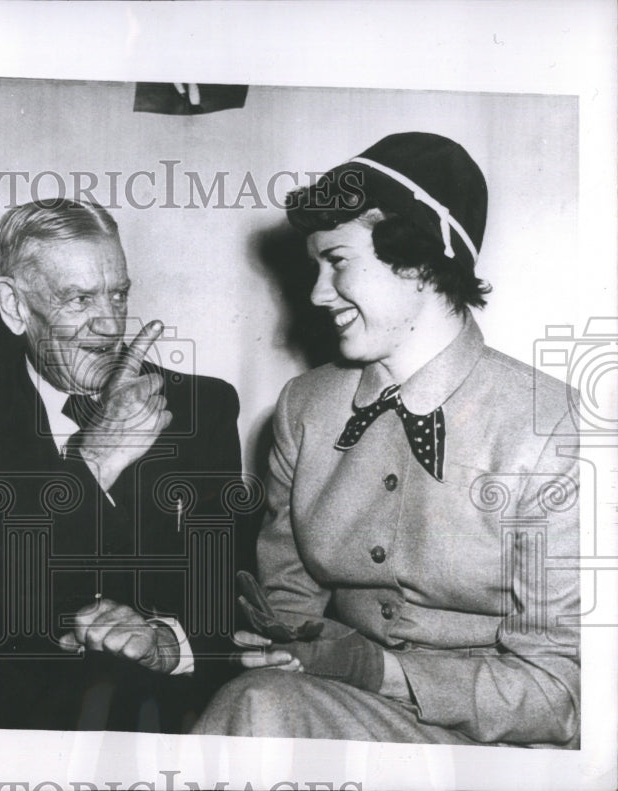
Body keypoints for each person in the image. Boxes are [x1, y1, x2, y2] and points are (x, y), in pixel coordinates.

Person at [192, 132, 580, 747]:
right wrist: (276, 645)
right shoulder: (306, 408)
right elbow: (287, 603)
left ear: (419, 260)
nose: (318, 293)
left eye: (338, 260)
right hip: (343, 712)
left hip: (502, 743)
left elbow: (564, 691)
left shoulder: (555, 429)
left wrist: (381, 671)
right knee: (256, 704)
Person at [0, 199, 251, 731]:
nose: (109, 325)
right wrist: (93, 461)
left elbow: (229, 581)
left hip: (170, 712)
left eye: (119, 294)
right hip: (30, 720)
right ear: (13, 306)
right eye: (79, 299)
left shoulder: (199, 408)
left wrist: (167, 641)